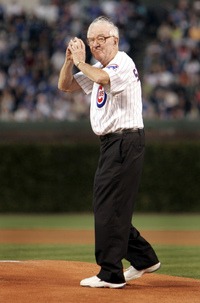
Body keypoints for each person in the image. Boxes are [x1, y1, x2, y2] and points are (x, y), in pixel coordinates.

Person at [58, 16, 160, 289]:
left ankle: (110, 273)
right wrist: (70, 61)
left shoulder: (122, 62)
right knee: (109, 207)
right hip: (112, 144)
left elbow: (102, 77)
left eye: (100, 39)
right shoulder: (100, 67)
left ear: (115, 39)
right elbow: (65, 86)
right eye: (91, 40)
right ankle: (144, 258)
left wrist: (81, 62)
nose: (94, 44)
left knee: (107, 207)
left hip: (124, 141)